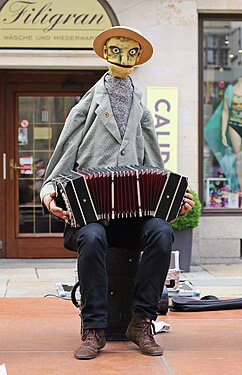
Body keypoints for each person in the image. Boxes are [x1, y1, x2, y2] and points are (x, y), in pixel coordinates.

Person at [40, 26, 194, 360]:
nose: (122, 58)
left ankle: (141, 321)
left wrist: (174, 199)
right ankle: (94, 328)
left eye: (130, 52)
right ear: (105, 54)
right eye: (115, 50)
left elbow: (156, 167)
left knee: (162, 232)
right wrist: (50, 194)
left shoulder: (143, 111)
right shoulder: (86, 106)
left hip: (132, 217)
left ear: (138, 59)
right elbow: (61, 162)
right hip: (90, 216)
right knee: (92, 236)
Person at [221, 77, 242, 191]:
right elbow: (225, 110)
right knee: (239, 158)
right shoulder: (231, 89)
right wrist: (223, 132)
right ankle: (240, 186)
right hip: (234, 125)